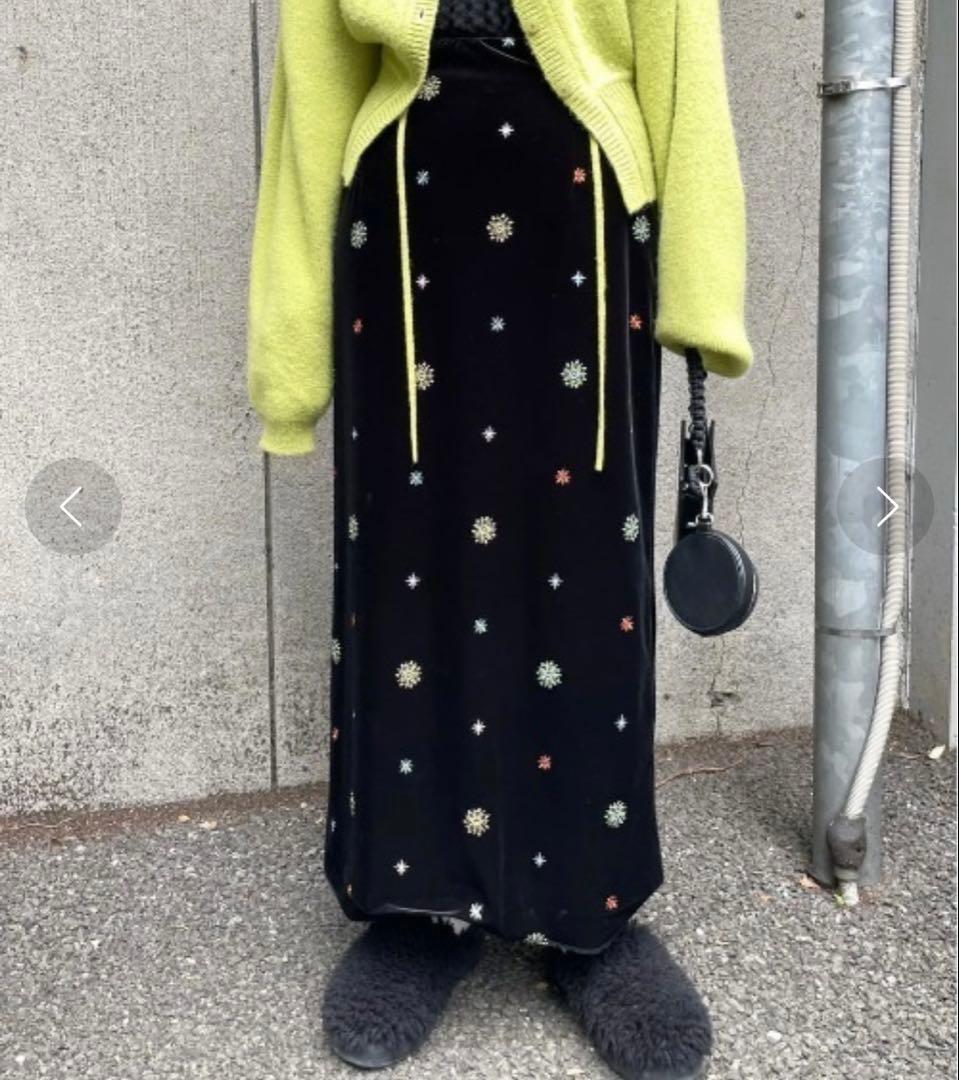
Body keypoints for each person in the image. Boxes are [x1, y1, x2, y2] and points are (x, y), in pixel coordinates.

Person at [246, 1, 753, 1076]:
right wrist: (287, 362)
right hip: (405, 226)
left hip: (583, 227)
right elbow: (311, 97)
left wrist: (703, 299)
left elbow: (682, 63)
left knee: (585, 585)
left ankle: (589, 916)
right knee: (405, 577)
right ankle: (415, 906)